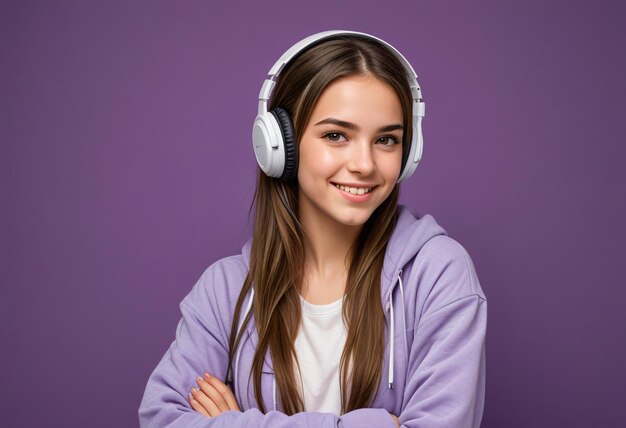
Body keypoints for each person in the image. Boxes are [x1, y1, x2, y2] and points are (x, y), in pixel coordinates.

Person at [138, 30, 487, 427]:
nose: (365, 164)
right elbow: (162, 419)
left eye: (386, 140)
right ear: (279, 146)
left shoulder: (439, 275)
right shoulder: (225, 291)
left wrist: (238, 422)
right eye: (336, 135)